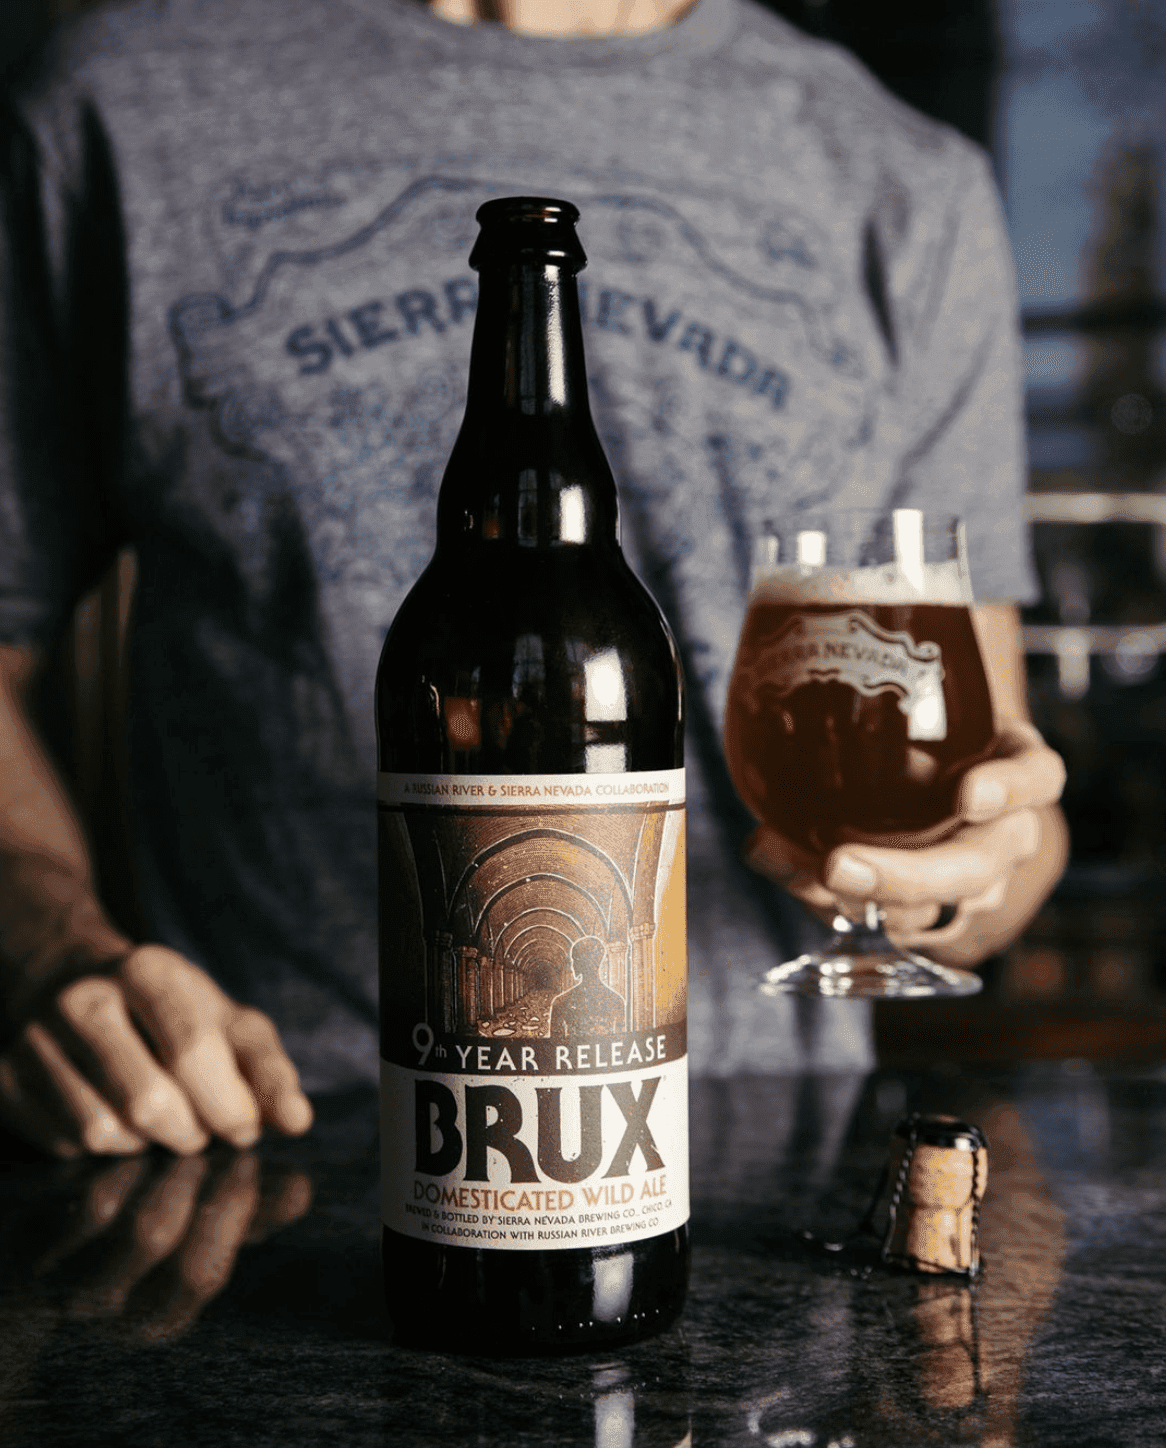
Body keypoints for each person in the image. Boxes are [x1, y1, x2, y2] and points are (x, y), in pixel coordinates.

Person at [0, 0, 1067, 1157]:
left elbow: (999, 791)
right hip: (274, 1129)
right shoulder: (117, 98)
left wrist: (944, 883)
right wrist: (52, 946)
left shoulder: (903, 174)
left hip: (769, 1143)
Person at [548, 937, 627, 1038]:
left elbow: (555, 1047)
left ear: (585, 962)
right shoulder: (617, 1000)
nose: (572, 966)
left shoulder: (561, 1001)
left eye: (574, 959)